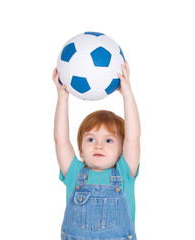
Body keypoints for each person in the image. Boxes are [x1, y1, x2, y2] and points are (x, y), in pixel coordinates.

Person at [52, 61, 141, 239]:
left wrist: (127, 95)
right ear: (81, 150)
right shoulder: (74, 172)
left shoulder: (125, 171)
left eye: (108, 140)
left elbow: (133, 137)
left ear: (122, 150)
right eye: (91, 139)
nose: (98, 145)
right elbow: (60, 140)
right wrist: (62, 99)